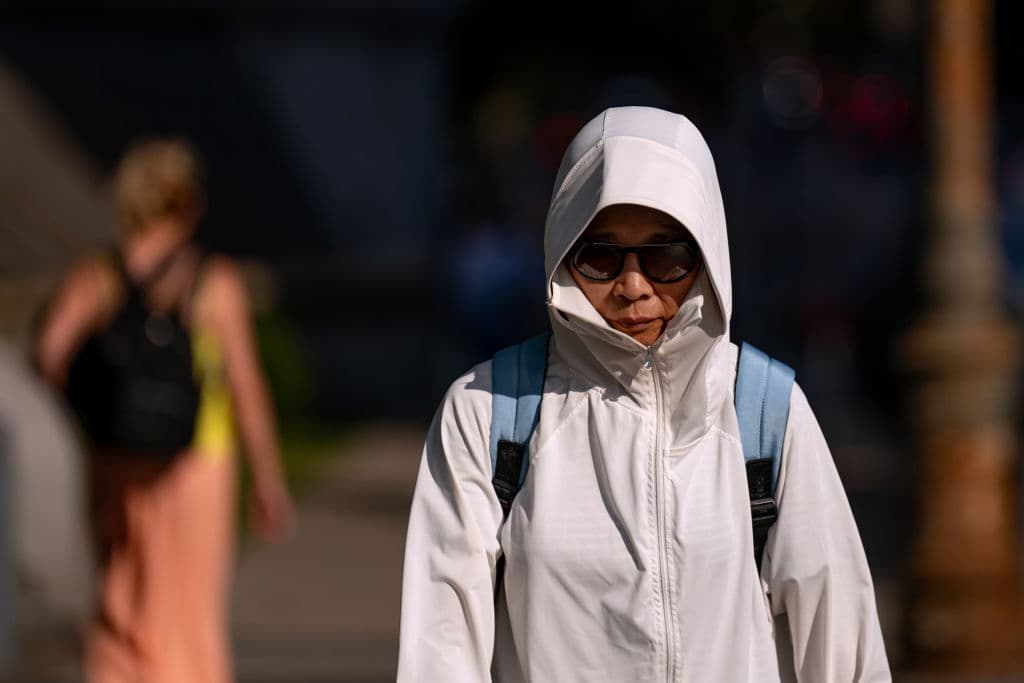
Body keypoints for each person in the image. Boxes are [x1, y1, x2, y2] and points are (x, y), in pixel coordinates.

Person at [398, 107, 890, 681]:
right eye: (600, 256)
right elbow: (440, 651)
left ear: (706, 253)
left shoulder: (766, 412)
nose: (633, 286)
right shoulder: (486, 413)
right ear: (563, 252)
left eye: (665, 257)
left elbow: (841, 644)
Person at [34, 138, 294, 683]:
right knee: (189, 607)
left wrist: (93, 404)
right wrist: (267, 478)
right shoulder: (212, 281)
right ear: (186, 201)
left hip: (114, 457)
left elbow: (50, 353)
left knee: (121, 596)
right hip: (197, 460)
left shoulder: (99, 275)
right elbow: (246, 386)